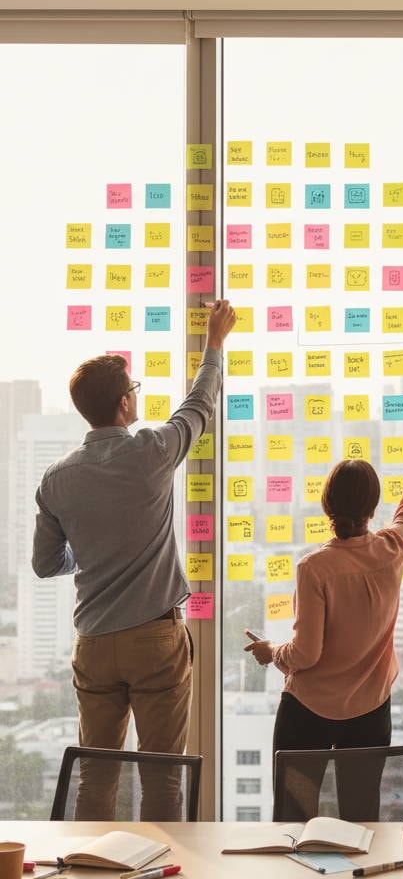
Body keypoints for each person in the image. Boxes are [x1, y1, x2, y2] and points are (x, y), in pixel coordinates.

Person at [32, 298, 236, 820]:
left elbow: (45, 563)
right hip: (154, 639)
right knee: (162, 780)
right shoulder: (152, 450)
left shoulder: (55, 480)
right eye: (135, 389)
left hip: (95, 642)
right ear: (124, 404)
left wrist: (93, 547)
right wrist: (214, 342)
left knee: (95, 779)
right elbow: (199, 405)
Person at [246, 398, 403, 821]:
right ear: (372, 508)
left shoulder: (314, 567)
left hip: (307, 713)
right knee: (360, 816)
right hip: (370, 711)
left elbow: (307, 654)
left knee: (294, 819)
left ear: (327, 506)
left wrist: (271, 652)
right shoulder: (393, 548)